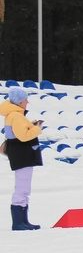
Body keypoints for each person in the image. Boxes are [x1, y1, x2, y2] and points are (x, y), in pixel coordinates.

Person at [2, 86, 43, 230]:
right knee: (22, 187)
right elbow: (23, 136)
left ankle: (23, 221)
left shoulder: (15, 115)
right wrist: (37, 129)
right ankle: (18, 222)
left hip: (21, 154)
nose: (27, 102)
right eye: (25, 99)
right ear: (19, 101)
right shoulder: (16, 115)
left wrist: (31, 126)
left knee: (24, 187)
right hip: (22, 155)